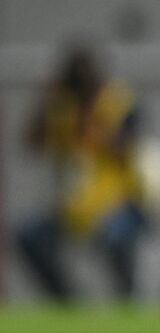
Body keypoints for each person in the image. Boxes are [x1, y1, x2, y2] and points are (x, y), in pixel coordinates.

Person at [14, 46, 146, 302]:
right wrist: (45, 103)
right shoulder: (61, 107)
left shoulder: (115, 101)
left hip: (117, 203)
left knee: (115, 238)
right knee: (28, 237)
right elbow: (32, 142)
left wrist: (93, 124)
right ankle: (67, 302)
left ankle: (128, 302)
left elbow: (131, 146)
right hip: (71, 209)